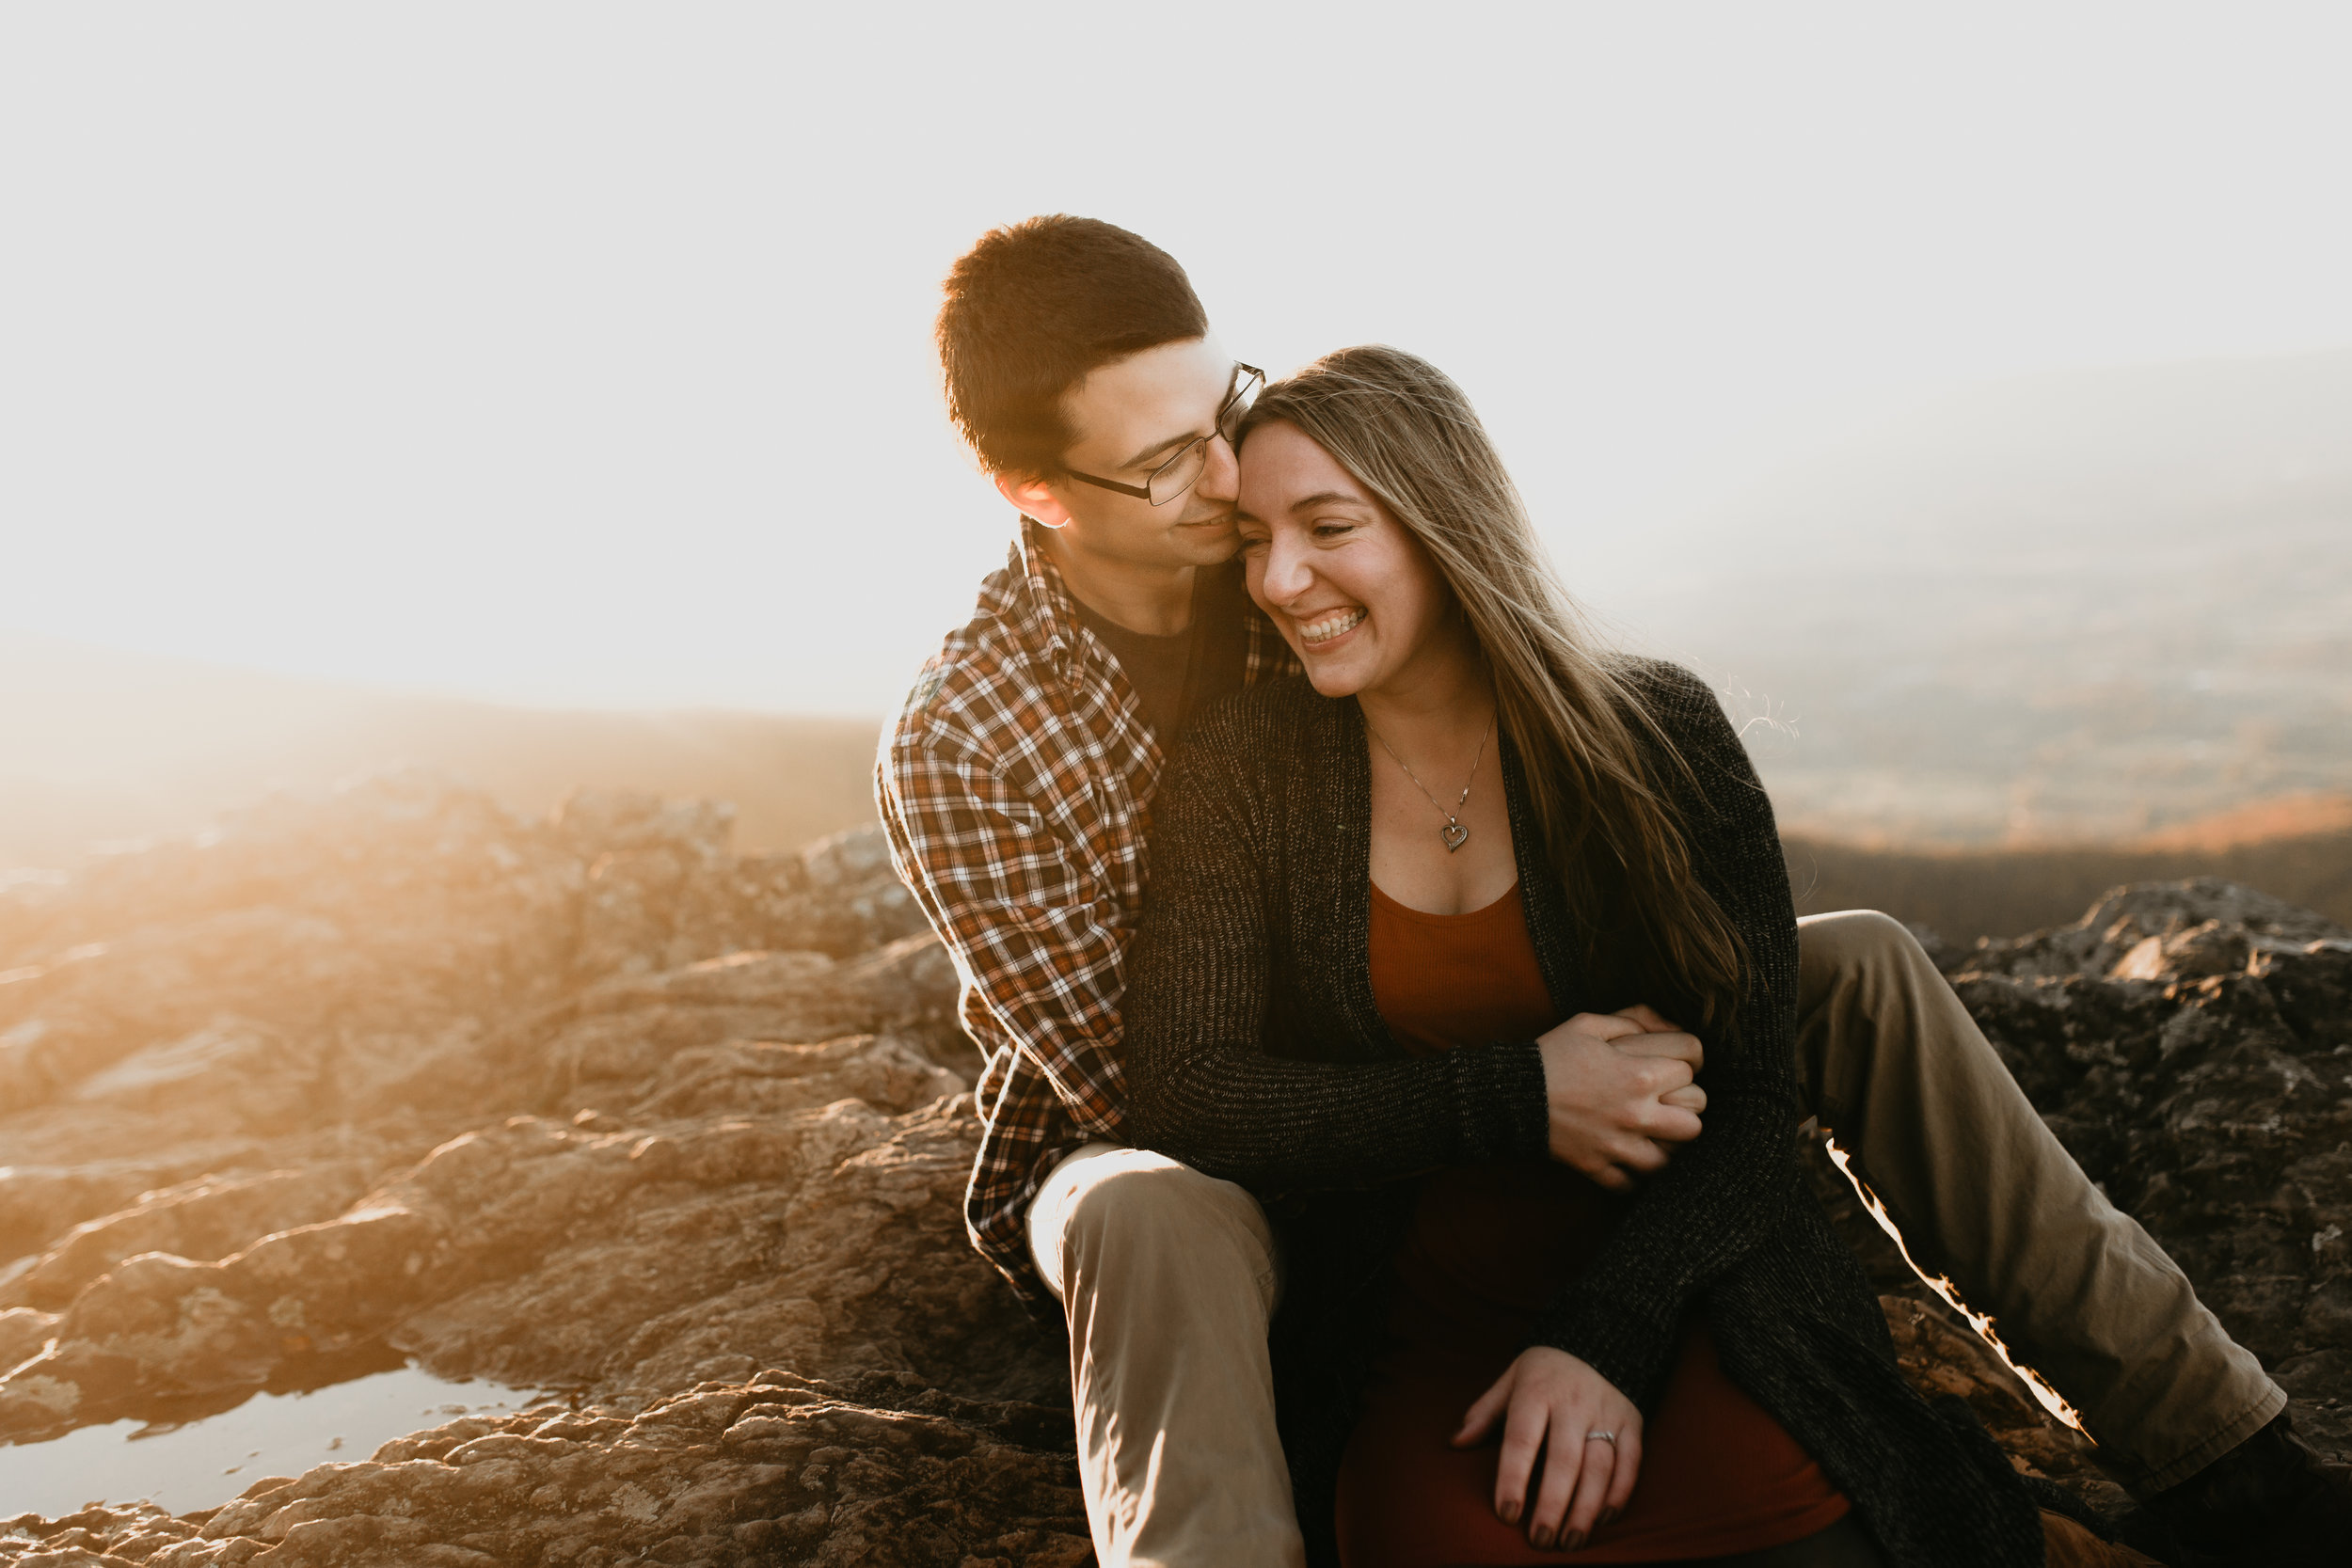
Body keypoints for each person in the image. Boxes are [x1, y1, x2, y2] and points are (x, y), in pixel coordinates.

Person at [876, 214, 2348, 1568]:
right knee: (1153, 1213)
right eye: (1170, 463)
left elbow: (1479, 702)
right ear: (1030, 489)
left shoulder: (1284, 536)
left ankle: (2219, 1451)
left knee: (1851, 968)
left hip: (1455, 1022)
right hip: (1198, 1149)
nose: (1226, 481)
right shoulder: (972, 736)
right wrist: (1523, 1092)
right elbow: (1157, 1091)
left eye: (1225, 412)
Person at [1120, 343, 2169, 1567]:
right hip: (1421, 1342)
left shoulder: (1654, 733)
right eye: (1252, 537)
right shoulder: (1245, 765)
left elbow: (1755, 1091)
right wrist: (1517, 1094)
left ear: (1443, 527)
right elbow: (1190, 1091)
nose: (1281, 577)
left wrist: (1606, 1340)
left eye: (1329, 527)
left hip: (1680, 1296)